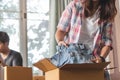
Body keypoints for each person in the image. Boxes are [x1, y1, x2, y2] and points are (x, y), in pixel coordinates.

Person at [48, 0, 117, 80]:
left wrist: (101, 58)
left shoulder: (106, 13)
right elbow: (60, 31)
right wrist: (60, 41)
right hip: (72, 57)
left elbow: (107, 43)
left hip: (93, 60)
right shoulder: (74, 5)